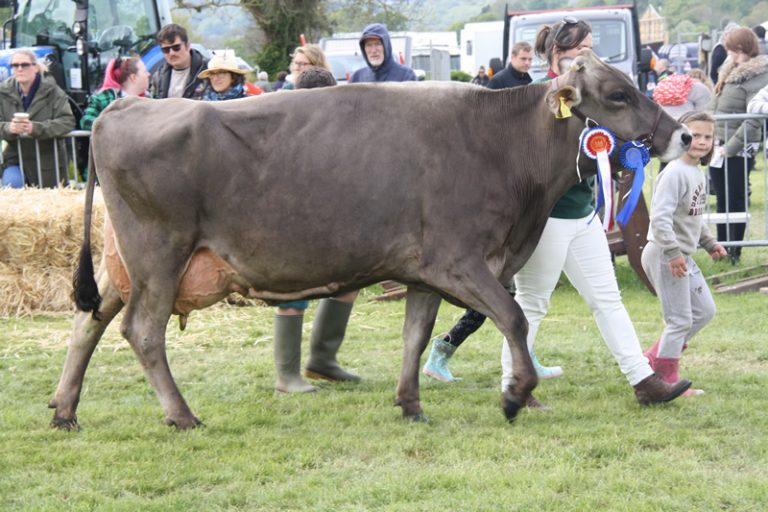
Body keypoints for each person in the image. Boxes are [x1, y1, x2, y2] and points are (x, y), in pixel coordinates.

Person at [425, 17, 691, 410]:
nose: (588, 55)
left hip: (582, 211)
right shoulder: (547, 96)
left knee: (608, 299)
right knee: (533, 301)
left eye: (590, 47)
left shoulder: (595, 91)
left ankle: (643, 380)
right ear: (559, 53)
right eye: (580, 48)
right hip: (546, 215)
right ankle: (514, 382)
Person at [271, 48, 357, 394]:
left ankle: (322, 360)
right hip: (293, 220)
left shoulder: (339, 125)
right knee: (292, 293)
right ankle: (287, 376)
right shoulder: (283, 122)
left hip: (332, 222)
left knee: (349, 284)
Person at [642, 111, 727, 398]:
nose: (701, 141)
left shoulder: (695, 172)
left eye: (708, 136)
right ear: (681, 136)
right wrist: (674, 253)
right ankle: (665, 377)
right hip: (666, 255)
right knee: (679, 319)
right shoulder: (674, 173)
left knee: (704, 311)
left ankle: (653, 358)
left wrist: (710, 243)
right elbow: (661, 219)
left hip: (682, 255)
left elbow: (693, 217)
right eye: (695, 135)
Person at [707, 27, 768, 263]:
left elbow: (753, 118)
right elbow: (716, 104)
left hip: (739, 147)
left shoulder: (759, 75)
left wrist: (730, 148)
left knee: (736, 199)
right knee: (722, 198)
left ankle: (735, 250)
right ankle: (721, 248)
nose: (728, 51)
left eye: (731, 47)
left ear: (741, 48)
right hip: (719, 144)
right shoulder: (729, 71)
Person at [0, 49, 75, 188]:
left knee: (50, 205)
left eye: (25, 65)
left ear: (35, 67)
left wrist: (35, 128)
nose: (19, 69)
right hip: (16, 158)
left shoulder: (54, 92)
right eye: (15, 65)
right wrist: (8, 128)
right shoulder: (3, 92)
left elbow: (67, 121)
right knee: (12, 186)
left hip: (48, 161)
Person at [80, 57, 150, 130]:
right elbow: (85, 121)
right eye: (145, 72)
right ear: (134, 77)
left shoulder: (149, 99)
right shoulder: (105, 99)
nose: (148, 74)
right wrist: (114, 127)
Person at [149, 23, 208, 99]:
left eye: (176, 47)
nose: (172, 53)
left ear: (188, 46)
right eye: (166, 50)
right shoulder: (158, 78)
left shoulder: (208, 71)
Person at [349, 23, 417, 83]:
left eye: (378, 44)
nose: (373, 50)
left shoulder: (406, 76)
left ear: (386, 45)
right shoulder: (356, 79)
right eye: (369, 45)